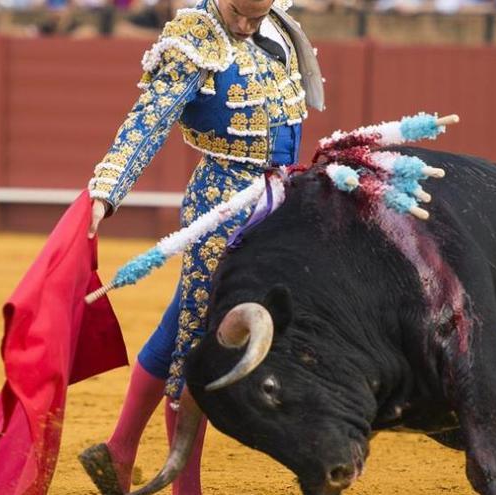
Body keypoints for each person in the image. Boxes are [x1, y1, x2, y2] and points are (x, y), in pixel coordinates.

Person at [78, 0, 324, 493]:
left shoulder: (276, 29)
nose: (247, 25)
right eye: (241, 13)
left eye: (258, 15)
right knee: (197, 340)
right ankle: (183, 485)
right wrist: (107, 189)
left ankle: (122, 448)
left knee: (181, 325)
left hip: (278, 201)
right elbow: (149, 119)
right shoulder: (194, 36)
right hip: (221, 206)